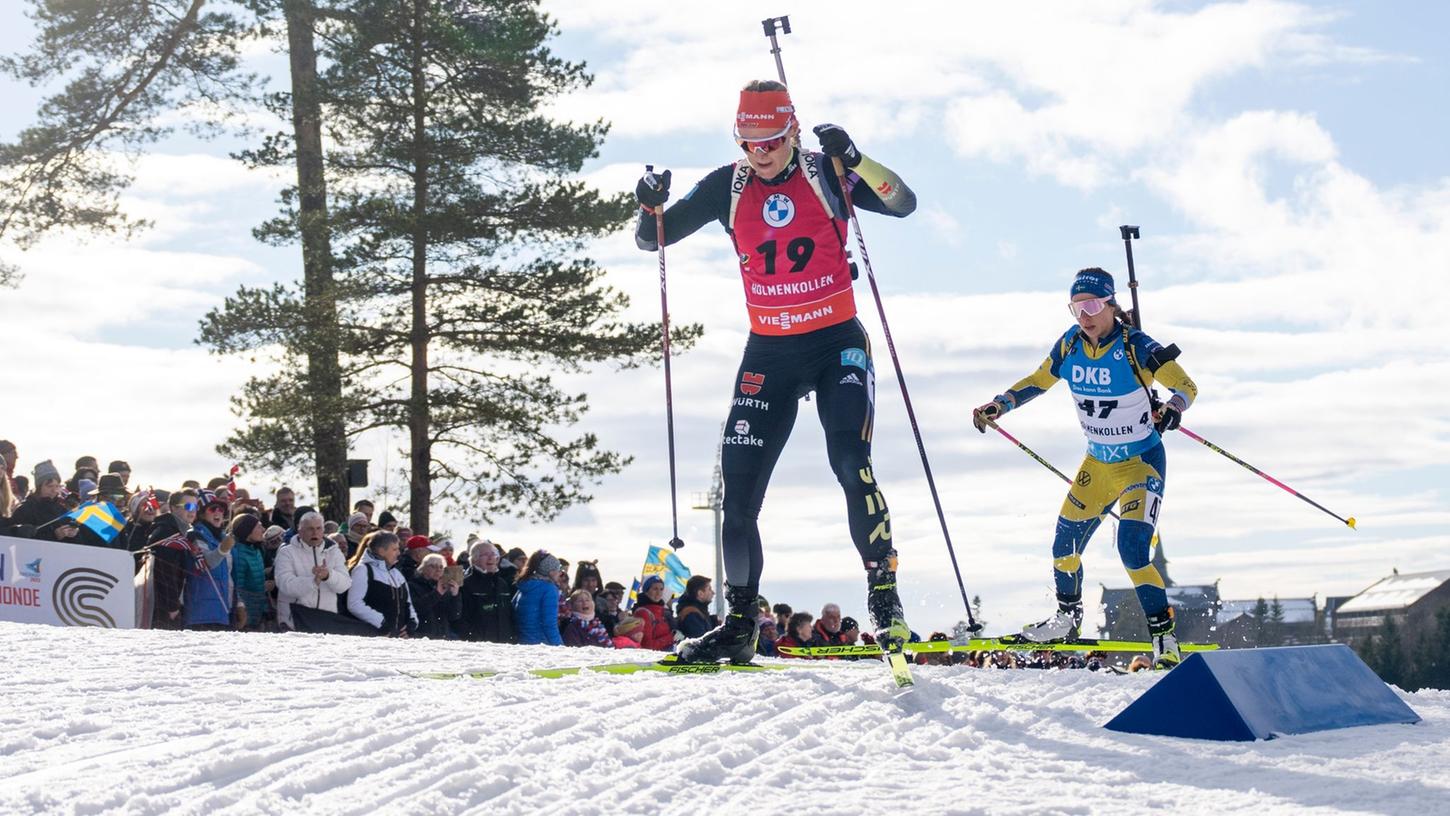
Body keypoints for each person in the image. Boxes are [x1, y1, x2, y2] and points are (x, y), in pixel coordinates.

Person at [636, 80, 918, 663]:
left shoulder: (826, 171)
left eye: (769, 139)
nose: (759, 151)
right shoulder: (727, 185)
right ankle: (739, 622)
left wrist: (857, 158)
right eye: (747, 141)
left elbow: (901, 201)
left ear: (792, 130)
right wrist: (649, 203)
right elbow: (652, 240)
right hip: (769, 352)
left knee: (848, 458)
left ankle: (884, 597)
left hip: (836, 340)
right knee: (737, 495)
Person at [972, 268, 1199, 670]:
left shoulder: (1137, 346)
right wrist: (1000, 404)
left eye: (1092, 305)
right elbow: (1040, 379)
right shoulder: (1070, 344)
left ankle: (1164, 638)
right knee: (1064, 547)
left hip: (1140, 464)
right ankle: (1066, 619)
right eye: (1076, 307)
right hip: (1098, 463)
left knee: (1132, 549)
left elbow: (1186, 386)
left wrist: (1172, 408)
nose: (1084, 315)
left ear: (1111, 304)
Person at [274, 510, 352, 630]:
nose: (315, 532)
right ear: (300, 532)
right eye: (310, 529)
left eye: (318, 528)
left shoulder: (334, 552)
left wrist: (328, 576)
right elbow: (285, 585)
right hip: (295, 621)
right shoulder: (287, 552)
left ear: (323, 531)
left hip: (326, 620)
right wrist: (313, 581)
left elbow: (345, 585)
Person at [184, 491, 240, 631]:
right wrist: (222, 549)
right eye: (212, 509)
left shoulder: (223, 537)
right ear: (201, 513)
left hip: (224, 609)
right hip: (202, 612)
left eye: (221, 509)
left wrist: (239, 604)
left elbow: (231, 576)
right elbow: (208, 564)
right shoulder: (195, 535)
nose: (218, 512)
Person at [347, 531, 417, 637]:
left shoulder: (397, 574)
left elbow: (408, 604)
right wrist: (382, 623)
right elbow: (354, 604)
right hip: (371, 636)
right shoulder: (363, 570)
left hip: (398, 639)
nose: (399, 553)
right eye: (394, 549)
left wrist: (412, 624)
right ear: (381, 551)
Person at [460, 540, 515, 643]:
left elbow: (509, 615)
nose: (491, 558)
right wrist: (473, 639)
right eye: (485, 555)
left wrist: (513, 638)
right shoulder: (466, 584)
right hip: (480, 646)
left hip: (504, 644)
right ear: (474, 559)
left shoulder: (502, 583)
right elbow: (462, 619)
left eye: (493, 554)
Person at [10, 460, 79, 542]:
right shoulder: (25, 510)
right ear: (39, 487)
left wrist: (73, 534)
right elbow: (18, 539)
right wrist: (54, 535)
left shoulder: (61, 510)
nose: (54, 490)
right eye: (50, 486)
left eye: (57, 486)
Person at [512, 551, 564, 646]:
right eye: (558, 569)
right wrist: (560, 647)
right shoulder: (549, 589)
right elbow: (549, 624)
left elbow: (513, 609)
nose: (560, 573)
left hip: (522, 641)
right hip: (541, 643)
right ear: (550, 571)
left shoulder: (524, 586)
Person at [229, 513, 269, 631]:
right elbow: (238, 588)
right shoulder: (238, 554)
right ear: (247, 530)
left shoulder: (255, 550)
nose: (263, 530)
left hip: (258, 612)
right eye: (258, 527)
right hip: (246, 618)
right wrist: (242, 614)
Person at [409, 552, 463, 639]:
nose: (438, 570)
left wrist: (455, 596)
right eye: (433, 566)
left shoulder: (445, 588)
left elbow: (454, 616)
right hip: (421, 636)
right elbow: (417, 608)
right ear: (422, 569)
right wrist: (437, 594)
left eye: (441, 567)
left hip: (443, 636)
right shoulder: (412, 586)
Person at [631, 576, 675, 651]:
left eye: (661, 589)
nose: (658, 593)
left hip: (665, 655)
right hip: (654, 659)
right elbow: (647, 646)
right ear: (646, 591)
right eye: (655, 589)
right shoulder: (642, 612)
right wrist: (672, 637)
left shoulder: (662, 610)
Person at [674, 575, 718, 640]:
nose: (713, 593)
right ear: (700, 594)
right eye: (709, 589)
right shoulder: (691, 615)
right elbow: (701, 642)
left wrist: (714, 621)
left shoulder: (698, 611)